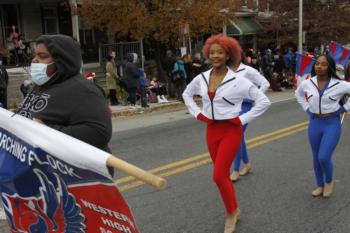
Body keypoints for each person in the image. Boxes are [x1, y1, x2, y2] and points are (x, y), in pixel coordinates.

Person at [182, 34, 271, 233]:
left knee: (218, 175)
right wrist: (197, 113)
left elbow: (264, 101)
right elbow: (186, 94)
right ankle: (234, 209)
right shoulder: (202, 78)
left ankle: (231, 213)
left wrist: (241, 119)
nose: (215, 56)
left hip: (231, 130)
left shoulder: (238, 80)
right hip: (211, 131)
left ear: (228, 54)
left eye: (220, 52)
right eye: (212, 52)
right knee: (221, 176)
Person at [15, 34, 114, 176]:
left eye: (42, 56)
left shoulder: (84, 90)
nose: (35, 60)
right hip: (41, 175)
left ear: (62, 60)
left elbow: (99, 132)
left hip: (77, 177)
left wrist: (46, 130)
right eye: (35, 55)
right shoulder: (40, 86)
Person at [295, 55, 350, 198]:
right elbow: (298, 94)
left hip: (331, 123)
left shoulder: (339, 84)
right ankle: (320, 184)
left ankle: (329, 182)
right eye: (317, 64)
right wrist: (307, 108)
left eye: (323, 64)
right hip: (314, 123)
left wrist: (343, 108)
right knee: (315, 157)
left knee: (324, 157)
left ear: (329, 67)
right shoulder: (308, 83)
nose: (319, 67)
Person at [230, 52, 270, 182]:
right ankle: (246, 165)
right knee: (239, 137)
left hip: (245, 107)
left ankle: (235, 170)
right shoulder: (226, 70)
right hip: (230, 107)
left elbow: (265, 83)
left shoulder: (248, 70)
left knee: (235, 136)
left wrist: (255, 96)